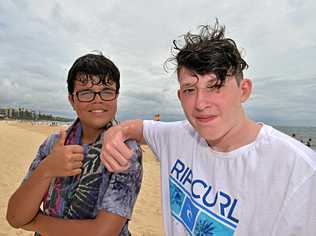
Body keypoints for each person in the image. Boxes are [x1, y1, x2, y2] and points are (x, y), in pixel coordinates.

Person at [100, 21, 316, 235]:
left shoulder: (298, 172)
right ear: (180, 96)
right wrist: (113, 134)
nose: (200, 103)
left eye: (215, 86)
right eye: (190, 89)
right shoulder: (178, 136)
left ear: (244, 90)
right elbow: (137, 128)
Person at [6, 53, 143, 236]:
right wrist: (47, 168)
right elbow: (15, 217)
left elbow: (103, 232)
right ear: (72, 99)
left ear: (116, 96)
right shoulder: (54, 143)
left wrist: (35, 222)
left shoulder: (125, 150)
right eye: (86, 92)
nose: (98, 99)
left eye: (107, 91)